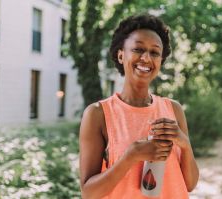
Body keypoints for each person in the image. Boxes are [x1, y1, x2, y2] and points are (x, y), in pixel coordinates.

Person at [79, 14, 199, 199]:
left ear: (160, 60)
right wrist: (130, 157)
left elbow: (190, 184)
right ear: (121, 55)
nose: (146, 58)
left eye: (154, 52)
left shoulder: (173, 110)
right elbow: (89, 193)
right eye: (138, 49)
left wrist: (184, 144)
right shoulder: (98, 114)